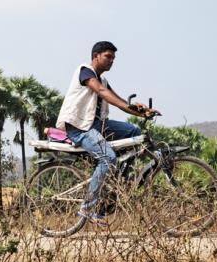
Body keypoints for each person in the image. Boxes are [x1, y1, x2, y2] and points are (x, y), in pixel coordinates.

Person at [56, 41, 158, 224]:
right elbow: (102, 92)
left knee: (134, 131)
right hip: (80, 128)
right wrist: (130, 106)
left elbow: (117, 100)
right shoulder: (85, 71)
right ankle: (88, 206)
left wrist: (141, 111)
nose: (112, 61)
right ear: (96, 56)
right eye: (108, 57)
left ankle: (116, 180)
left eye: (114, 58)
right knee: (108, 158)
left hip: (97, 125)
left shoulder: (103, 80)